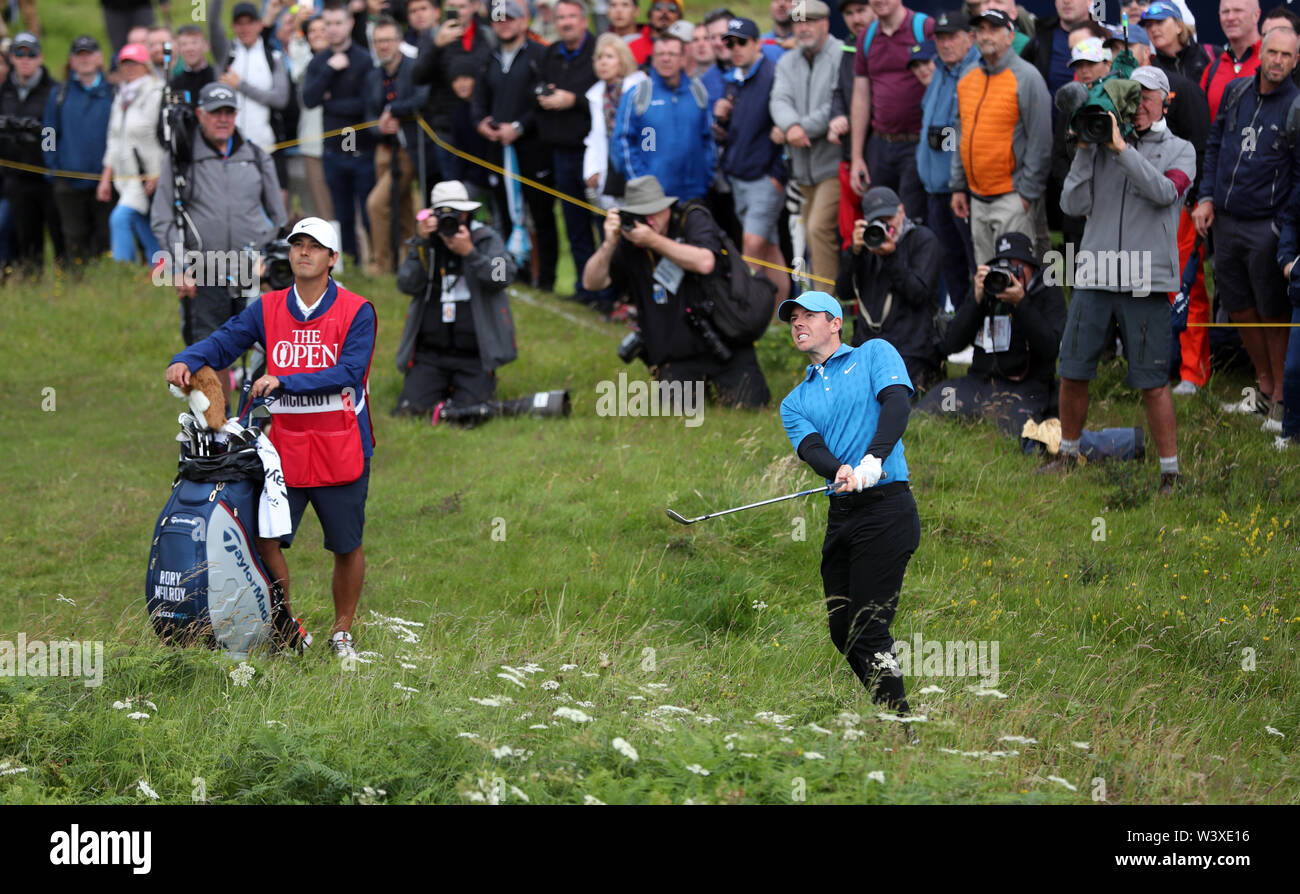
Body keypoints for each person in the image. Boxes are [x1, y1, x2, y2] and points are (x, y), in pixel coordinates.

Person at [165, 216, 376, 661]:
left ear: (332, 258)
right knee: (265, 542)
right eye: (298, 244)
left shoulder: (358, 310)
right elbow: (225, 342)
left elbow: (350, 372)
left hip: (341, 443)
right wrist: (187, 359)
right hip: (283, 447)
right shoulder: (268, 306)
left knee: (345, 544)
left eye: (314, 246)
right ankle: (284, 627)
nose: (304, 252)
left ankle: (342, 632)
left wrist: (285, 381)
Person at [1048, 66, 1195, 495]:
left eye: (1147, 96)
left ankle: (1170, 473)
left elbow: (1165, 193)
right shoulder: (1100, 146)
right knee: (1073, 370)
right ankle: (1067, 456)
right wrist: (1085, 147)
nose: (1139, 104)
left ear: (1165, 100)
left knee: (1152, 381)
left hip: (1145, 279)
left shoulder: (1181, 150)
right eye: (1132, 95)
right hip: (1095, 273)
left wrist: (1121, 150)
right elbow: (1072, 205)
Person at [777, 289, 919, 714]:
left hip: (888, 505)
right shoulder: (794, 401)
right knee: (842, 628)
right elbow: (811, 449)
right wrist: (838, 469)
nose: (798, 323)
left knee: (869, 626)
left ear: (835, 323)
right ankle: (891, 711)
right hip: (842, 513)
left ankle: (901, 727)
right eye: (793, 318)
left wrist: (873, 460)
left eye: (808, 315)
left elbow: (896, 404)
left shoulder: (875, 353)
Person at [582, 175, 771, 407]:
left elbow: (705, 262)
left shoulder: (691, 219)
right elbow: (592, 283)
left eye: (653, 213)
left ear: (667, 207)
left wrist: (653, 240)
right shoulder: (631, 239)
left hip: (725, 343)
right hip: (675, 356)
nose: (648, 221)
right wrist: (608, 244)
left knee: (751, 407)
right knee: (681, 415)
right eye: (641, 215)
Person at [1193, 25, 1300, 431]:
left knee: (1273, 312)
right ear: (1262, 52)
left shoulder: (1296, 107)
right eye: (1273, 52)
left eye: (1287, 55)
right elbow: (1215, 145)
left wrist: (1282, 225)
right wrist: (1206, 196)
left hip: (1266, 225)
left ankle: (1280, 400)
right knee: (1238, 307)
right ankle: (1263, 387)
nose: (1278, 61)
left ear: (1296, 61)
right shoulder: (1235, 91)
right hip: (1225, 219)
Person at [151, 82, 288, 346]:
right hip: (203, 273)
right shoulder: (181, 159)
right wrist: (180, 267)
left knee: (267, 347)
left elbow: (278, 218)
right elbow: (162, 218)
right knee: (208, 351)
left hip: (252, 271)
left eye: (229, 112)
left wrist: (267, 256)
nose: (223, 119)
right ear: (201, 114)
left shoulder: (257, 156)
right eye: (215, 112)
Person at [918, 231, 1065, 437]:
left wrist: (1021, 304)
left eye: (1016, 268)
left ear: (1031, 267)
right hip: (979, 385)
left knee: (1017, 427)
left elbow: (1049, 349)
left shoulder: (1047, 291)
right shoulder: (989, 289)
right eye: (1003, 267)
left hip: (1025, 387)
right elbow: (951, 344)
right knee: (930, 406)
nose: (1009, 276)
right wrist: (975, 301)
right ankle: (978, 410)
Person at [393, 180, 517, 416]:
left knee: (471, 412)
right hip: (430, 354)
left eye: (457, 214)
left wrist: (471, 253)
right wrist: (421, 244)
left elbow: (504, 276)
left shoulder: (485, 239)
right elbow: (406, 284)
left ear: (466, 214)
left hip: (474, 355)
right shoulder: (426, 244)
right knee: (412, 409)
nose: (450, 222)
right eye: (443, 215)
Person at [950, 8, 1051, 274]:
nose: (986, 36)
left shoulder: (1027, 77)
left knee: (1016, 278)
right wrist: (958, 186)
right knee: (985, 276)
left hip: (1012, 197)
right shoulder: (967, 76)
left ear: (1010, 36)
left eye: (994, 29)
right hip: (976, 198)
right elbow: (960, 133)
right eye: (981, 30)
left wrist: (1026, 195)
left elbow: (1041, 142)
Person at [472, 0, 556, 289]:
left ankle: (546, 281)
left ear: (523, 21)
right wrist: (481, 123)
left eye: (509, 18)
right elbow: (478, 99)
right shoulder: (489, 57)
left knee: (541, 215)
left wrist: (519, 127)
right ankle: (513, 274)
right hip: (497, 147)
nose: (503, 24)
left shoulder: (539, 54)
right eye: (498, 19)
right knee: (504, 213)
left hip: (533, 148)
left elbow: (544, 100)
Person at [838, 185, 943, 393]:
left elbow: (919, 295)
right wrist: (854, 254)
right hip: (867, 345)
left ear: (902, 211)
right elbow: (844, 292)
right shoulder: (866, 244)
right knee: (847, 394)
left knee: (892, 393)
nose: (886, 226)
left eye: (889, 218)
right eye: (878, 220)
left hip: (910, 347)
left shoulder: (923, 240)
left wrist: (891, 257)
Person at [770, 0, 842, 283]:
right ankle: (820, 295)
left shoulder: (842, 55)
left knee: (817, 229)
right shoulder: (787, 61)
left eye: (810, 21)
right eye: (798, 23)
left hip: (835, 165)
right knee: (808, 233)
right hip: (801, 170)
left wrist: (798, 129)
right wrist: (791, 126)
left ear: (825, 23)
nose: (803, 29)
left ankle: (825, 301)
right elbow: (779, 99)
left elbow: (836, 105)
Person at [715, 16, 787, 301]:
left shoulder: (772, 76)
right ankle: (781, 314)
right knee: (770, 247)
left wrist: (778, 176)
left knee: (752, 245)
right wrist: (722, 121)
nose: (735, 48)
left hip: (765, 179)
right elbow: (736, 134)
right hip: (739, 177)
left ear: (758, 43)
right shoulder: (732, 79)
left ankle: (746, 314)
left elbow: (784, 127)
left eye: (742, 42)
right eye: (730, 43)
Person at [303, 2, 377, 270]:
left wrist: (331, 102)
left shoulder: (364, 59)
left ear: (349, 24)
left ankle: (376, 262)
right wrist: (330, 70)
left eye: (338, 23)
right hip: (333, 151)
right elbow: (310, 99)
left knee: (368, 211)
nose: (333, 29)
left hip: (362, 150)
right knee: (341, 213)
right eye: (328, 24)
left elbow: (366, 105)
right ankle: (350, 262)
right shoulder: (320, 62)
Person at [538, 0, 602, 304]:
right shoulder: (551, 53)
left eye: (571, 17)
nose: (565, 22)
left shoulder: (598, 51)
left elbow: (608, 98)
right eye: (561, 17)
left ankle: (609, 293)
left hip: (593, 153)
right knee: (575, 226)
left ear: (584, 20)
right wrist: (544, 96)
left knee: (603, 224)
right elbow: (537, 86)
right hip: (561, 152)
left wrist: (573, 100)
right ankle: (584, 288)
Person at [848, 0, 935, 223]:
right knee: (878, 219)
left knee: (911, 221)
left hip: (918, 142)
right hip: (880, 145)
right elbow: (861, 97)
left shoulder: (925, 27)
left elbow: (946, 84)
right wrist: (857, 157)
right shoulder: (866, 37)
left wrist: (945, 148)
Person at [917, 8, 978, 311]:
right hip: (935, 188)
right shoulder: (939, 69)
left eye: (952, 36)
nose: (945, 43)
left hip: (963, 190)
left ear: (970, 37)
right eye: (940, 37)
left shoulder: (976, 70)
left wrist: (946, 140)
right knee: (950, 263)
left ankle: (984, 328)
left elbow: (972, 132)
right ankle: (963, 327)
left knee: (975, 263)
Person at [612, 33, 714, 205]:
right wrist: (641, 181)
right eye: (660, 54)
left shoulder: (697, 92)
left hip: (695, 193)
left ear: (683, 59)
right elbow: (622, 142)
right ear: (653, 59)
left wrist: (707, 175)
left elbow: (708, 139)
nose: (666, 59)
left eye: (672, 54)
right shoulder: (638, 94)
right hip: (653, 198)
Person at [364, 15, 428, 273]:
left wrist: (393, 111)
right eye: (379, 41)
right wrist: (379, 127)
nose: (384, 46)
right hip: (383, 149)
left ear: (399, 41)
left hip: (409, 150)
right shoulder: (373, 76)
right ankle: (411, 264)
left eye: (389, 40)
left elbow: (422, 99)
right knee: (403, 208)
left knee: (377, 203)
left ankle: (382, 265)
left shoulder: (414, 68)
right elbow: (368, 116)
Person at [412, 0, 496, 191]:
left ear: (473, 7)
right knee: (455, 192)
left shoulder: (487, 35)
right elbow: (418, 77)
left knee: (493, 192)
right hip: (448, 130)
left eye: (462, 6)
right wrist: (436, 45)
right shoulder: (433, 36)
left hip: (485, 128)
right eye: (452, 6)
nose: (457, 12)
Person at [45, 36, 114, 268]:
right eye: (79, 55)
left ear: (99, 58)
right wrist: (53, 166)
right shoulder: (59, 93)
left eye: (89, 54)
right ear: (72, 60)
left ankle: (104, 281)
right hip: (68, 182)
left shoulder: (113, 92)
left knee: (104, 237)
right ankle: (76, 281)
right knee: (74, 238)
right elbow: (48, 132)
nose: (85, 59)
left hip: (105, 181)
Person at [0, 32, 61, 275]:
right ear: (12, 58)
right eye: (20, 54)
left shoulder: (53, 90)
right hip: (15, 177)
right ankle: (31, 281)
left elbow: (56, 132)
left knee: (58, 234)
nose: (26, 59)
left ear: (40, 57)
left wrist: (39, 137)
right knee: (27, 238)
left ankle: (66, 280)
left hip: (46, 177)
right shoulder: (4, 90)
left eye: (31, 54)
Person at [98, 43, 164, 265]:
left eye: (135, 63)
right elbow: (113, 138)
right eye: (125, 64)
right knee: (146, 228)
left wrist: (160, 173)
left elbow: (166, 138)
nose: (130, 69)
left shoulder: (157, 93)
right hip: (127, 178)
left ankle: (123, 269)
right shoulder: (121, 97)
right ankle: (161, 270)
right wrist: (106, 178)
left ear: (146, 65)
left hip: (151, 177)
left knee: (120, 218)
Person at [210, 0, 292, 155]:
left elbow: (280, 99)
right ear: (233, 27)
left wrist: (241, 85)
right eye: (240, 24)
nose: (245, 28)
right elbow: (213, 24)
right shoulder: (225, 53)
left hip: (266, 147)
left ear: (260, 25)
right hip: (230, 148)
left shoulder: (273, 56)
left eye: (249, 23)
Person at [829, 0, 876, 250]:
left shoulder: (884, 43)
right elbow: (839, 91)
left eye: (861, 10)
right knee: (851, 236)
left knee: (880, 229)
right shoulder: (848, 46)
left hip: (880, 151)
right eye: (849, 13)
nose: (856, 19)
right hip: (850, 156)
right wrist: (837, 116)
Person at [583, 33, 647, 211]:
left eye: (609, 57)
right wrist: (591, 169)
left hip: (638, 166)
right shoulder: (596, 95)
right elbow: (595, 136)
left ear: (623, 60)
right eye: (599, 58)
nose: (603, 62)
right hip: (611, 170)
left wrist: (648, 164)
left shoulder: (641, 87)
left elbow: (649, 130)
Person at [1202, 0, 1262, 118]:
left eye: (1238, 10)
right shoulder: (1211, 70)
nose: (1230, 17)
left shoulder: (1273, 63)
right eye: (1225, 12)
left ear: (1256, 15)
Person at [1142, 1, 1215, 85]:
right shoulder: (1149, 68)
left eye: (1160, 22)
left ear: (1179, 26)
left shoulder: (1210, 54)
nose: (1153, 29)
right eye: (1149, 25)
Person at [170, 23, 217, 107]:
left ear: (206, 45)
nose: (189, 48)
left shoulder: (217, 77)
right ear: (178, 49)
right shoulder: (175, 84)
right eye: (184, 44)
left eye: (194, 43)